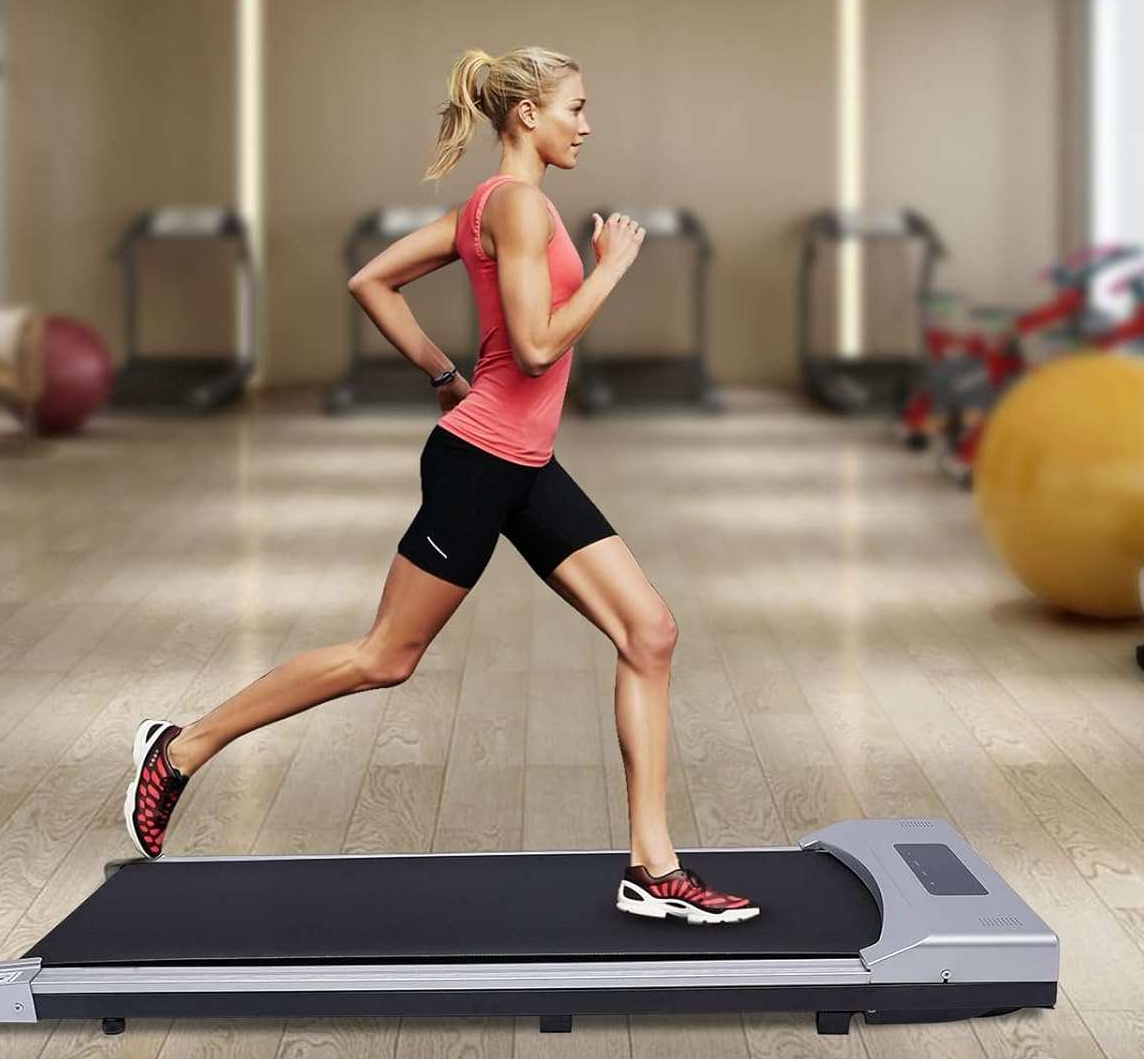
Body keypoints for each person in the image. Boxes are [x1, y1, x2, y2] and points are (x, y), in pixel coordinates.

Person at [124, 45, 757, 926]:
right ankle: (182, 747)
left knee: (649, 632)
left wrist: (442, 375)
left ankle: (653, 870)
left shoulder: (489, 208)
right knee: (386, 656)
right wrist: (610, 270)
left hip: (521, 459)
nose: (587, 123)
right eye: (576, 106)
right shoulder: (523, 208)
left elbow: (370, 280)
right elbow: (536, 348)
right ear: (528, 114)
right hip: (480, 463)